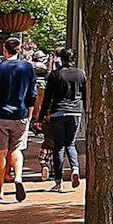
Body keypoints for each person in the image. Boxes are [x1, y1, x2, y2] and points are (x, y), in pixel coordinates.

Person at [0, 37, 39, 202]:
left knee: (0, 153)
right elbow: (33, 93)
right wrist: (30, 112)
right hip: (21, 114)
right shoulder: (28, 68)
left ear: (5, 50)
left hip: (1, 114)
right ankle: (18, 177)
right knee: (17, 150)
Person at [39, 47, 86, 191]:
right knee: (70, 144)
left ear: (62, 59)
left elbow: (47, 97)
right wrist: (86, 110)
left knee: (58, 146)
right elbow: (85, 94)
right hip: (75, 112)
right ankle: (75, 169)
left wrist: (40, 117)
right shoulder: (81, 74)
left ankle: (58, 181)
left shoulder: (55, 74)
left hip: (58, 112)